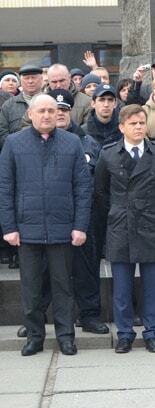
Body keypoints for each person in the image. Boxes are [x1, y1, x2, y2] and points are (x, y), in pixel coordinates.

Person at [0, 94, 92, 356]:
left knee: (63, 286)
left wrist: (80, 226)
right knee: (30, 288)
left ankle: (65, 337)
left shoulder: (72, 143)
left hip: (63, 229)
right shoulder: (13, 144)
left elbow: (83, 189)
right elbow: (5, 188)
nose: (47, 115)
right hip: (27, 229)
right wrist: (9, 227)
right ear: (30, 114)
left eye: (52, 110)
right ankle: (34, 336)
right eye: (41, 110)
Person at [94, 104, 155, 354]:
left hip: (151, 224)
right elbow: (101, 191)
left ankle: (152, 332)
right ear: (121, 127)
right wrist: (120, 210)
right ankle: (125, 333)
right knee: (122, 286)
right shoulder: (108, 155)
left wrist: (149, 209)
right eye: (133, 123)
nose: (139, 127)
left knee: (152, 286)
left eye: (142, 122)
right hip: (121, 224)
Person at [48, 88, 109, 334]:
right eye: (55, 110)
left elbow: (98, 181)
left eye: (64, 110)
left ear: (70, 111)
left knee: (86, 269)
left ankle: (89, 315)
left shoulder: (87, 141)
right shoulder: (36, 141)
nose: (60, 114)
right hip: (50, 216)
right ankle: (41, 319)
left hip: (83, 216)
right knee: (46, 270)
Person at [0, 64, 44, 146]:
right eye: (26, 78)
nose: (30, 81)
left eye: (33, 77)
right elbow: (2, 132)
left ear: (41, 80)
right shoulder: (9, 105)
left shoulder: (51, 102)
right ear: (20, 81)